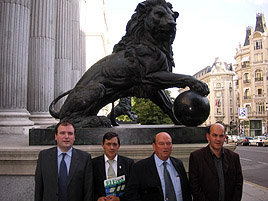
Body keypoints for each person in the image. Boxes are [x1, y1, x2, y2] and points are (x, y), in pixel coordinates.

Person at [122, 132, 192, 201]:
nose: (165, 147)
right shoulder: (140, 167)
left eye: (168, 143)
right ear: (154, 146)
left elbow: (186, 192)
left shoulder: (178, 164)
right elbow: (130, 195)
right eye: (161, 144)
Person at [35, 121, 93, 201]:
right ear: (56, 136)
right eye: (62, 133)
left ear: (74, 137)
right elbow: (39, 188)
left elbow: (88, 190)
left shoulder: (85, 158)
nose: (66, 137)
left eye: (70, 133)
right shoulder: (44, 156)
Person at [189, 123, 243, 201]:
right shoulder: (196, 157)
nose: (218, 139)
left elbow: (238, 184)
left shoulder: (234, 157)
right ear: (208, 137)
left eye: (221, 136)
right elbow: (194, 187)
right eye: (214, 135)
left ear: (224, 138)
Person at [93, 132, 134, 201]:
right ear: (103, 145)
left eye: (114, 144)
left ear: (119, 146)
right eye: (108, 144)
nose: (112, 148)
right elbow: (89, 188)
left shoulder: (128, 164)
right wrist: (97, 199)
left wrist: (119, 199)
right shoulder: (93, 164)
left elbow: (132, 188)